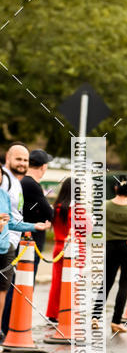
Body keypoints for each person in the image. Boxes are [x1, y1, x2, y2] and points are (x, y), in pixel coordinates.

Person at [1, 143, 51, 335]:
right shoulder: (4, 179)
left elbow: (13, 219)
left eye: (25, 160)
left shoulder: (17, 183)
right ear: (8, 157)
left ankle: (3, 332)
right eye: (18, 159)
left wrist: (32, 226)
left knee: (4, 291)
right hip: (5, 243)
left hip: (11, 244)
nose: (22, 163)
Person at [92, 179, 127, 334]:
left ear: (115, 188)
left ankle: (95, 316)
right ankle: (116, 321)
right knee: (124, 284)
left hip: (111, 246)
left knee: (107, 282)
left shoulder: (105, 205)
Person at [21, 149, 54, 280]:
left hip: (24, 238)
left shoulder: (23, 181)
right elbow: (49, 212)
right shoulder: (32, 185)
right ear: (43, 166)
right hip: (31, 240)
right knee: (26, 281)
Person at [46, 178, 72, 323]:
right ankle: (67, 312)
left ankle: (53, 313)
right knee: (71, 283)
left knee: (56, 282)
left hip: (58, 247)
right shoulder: (75, 209)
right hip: (71, 248)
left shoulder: (56, 207)